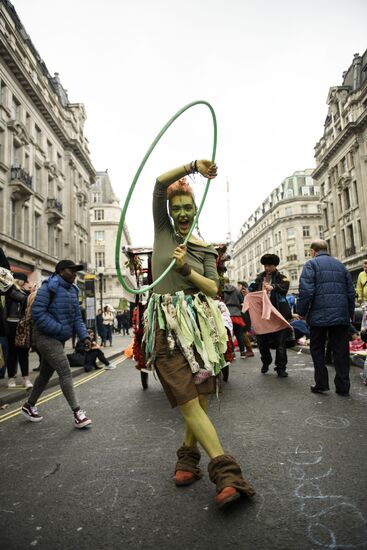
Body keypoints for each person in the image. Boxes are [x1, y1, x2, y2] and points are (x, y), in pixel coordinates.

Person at [144, 159, 255, 510]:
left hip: (200, 331)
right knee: (189, 402)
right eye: (176, 208)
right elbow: (160, 184)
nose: (181, 212)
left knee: (201, 400)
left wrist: (186, 269)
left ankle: (186, 460)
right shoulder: (162, 232)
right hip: (166, 330)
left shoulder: (206, 250)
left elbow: (212, 288)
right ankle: (227, 474)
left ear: (196, 209)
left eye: (187, 207)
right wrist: (193, 165)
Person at [21, 260, 92, 427]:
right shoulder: (49, 287)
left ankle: (28, 406)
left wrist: (84, 337)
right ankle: (77, 414)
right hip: (45, 337)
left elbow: (76, 318)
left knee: (45, 374)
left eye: (76, 271)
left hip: (58, 339)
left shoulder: (73, 290)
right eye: (71, 270)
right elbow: (37, 313)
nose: (75, 273)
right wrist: (59, 329)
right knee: (65, 372)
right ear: (61, 271)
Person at [297, 240, 355, 396]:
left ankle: (321, 383)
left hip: (318, 316)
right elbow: (350, 292)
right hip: (340, 316)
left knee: (317, 350)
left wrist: (301, 311)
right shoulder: (340, 265)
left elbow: (306, 291)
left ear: (313, 251)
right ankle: (343, 387)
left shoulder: (311, 265)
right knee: (341, 351)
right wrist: (350, 315)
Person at [249, 254, 291, 377]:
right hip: (262, 317)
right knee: (262, 344)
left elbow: (284, 288)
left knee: (281, 344)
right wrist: (247, 293)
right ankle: (266, 362)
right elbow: (251, 290)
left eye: (269, 265)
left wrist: (273, 287)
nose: (267, 268)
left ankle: (281, 368)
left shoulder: (282, 278)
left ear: (275, 266)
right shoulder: (258, 279)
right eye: (265, 265)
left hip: (278, 315)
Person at [6, 272, 33, 388]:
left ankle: (26, 378)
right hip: (11, 325)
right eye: (24, 282)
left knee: (23, 353)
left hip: (22, 324)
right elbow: (21, 297)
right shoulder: (8, 290)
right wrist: (31, 292)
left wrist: (30, 292)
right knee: (12, 353)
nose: (24, 285)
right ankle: (11, 378)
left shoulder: (24, 293)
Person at [223, 278, 246, 358]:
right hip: (237, 314)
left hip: (227, 315)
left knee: (229, 335)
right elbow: (242, 301)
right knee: (239, 335)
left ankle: (232, 353)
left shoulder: (222, 291)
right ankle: (243, 353)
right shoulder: (236, 290)